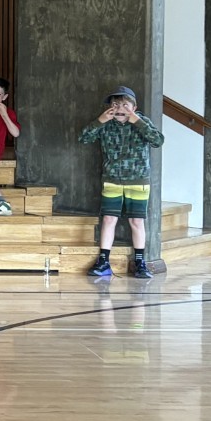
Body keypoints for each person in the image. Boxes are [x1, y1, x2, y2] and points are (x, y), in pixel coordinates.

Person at [81, 86, 165, 280]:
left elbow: (158, 140)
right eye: (115, 104)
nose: (120, 108)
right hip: (112, 179)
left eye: (125, 104)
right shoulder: (105, 123)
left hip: (139, 180)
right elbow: (83, 138)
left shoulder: (142, 122)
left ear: (134, 107)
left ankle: (140, 262)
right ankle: (103, 261)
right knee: (109, 220)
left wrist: (137, 121)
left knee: (137, 222)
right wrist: (100, 120)